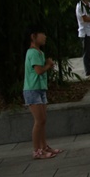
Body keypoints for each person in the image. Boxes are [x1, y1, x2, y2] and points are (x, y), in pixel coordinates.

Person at [23, 27, 62, 159]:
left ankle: (44, 146)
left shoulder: (40, 53)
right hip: (32, 89)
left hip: (40, 88)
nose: (45, 37)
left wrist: (47, 64)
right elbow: (38, 71)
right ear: (34, 36)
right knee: (39, 120)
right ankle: (36, 150)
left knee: (43, 120)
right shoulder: (33, 53)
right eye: (42, 34)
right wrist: (48, 65)